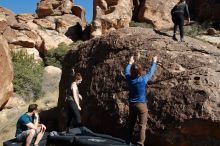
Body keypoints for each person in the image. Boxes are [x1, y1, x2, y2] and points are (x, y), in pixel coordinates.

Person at [124, 55, 157, 146]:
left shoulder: (129, 79)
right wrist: (154, 62)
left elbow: (126, 71)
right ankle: (140, 144)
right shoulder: (143, 79)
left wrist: (130, 62)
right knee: (142, 126)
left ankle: (127, 141)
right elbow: (150, 72)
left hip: (132, 105)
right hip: (141, 105)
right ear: (140, 72)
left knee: (131, 124)